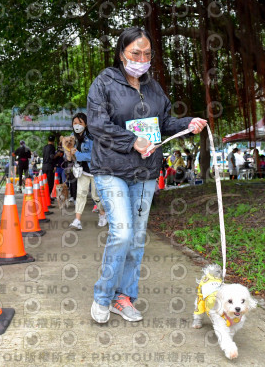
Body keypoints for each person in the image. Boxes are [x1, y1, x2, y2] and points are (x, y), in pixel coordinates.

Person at [87, 27, 207, 324]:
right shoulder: (104, 82)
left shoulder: (153, 87)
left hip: (146, 172)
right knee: (123, 232)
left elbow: (164, 122)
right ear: (121, 54)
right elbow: (97, 125)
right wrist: (132, 141)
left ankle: (124, 297)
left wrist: (187, 122)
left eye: (147, 54)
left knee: (137, 237)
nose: (142, 59)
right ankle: (103, 295)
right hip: (111, 169)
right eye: (135, 53)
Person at [68, 112, 107, 230]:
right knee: (80, 194)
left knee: (96, 195)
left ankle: (102, 214)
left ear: (86, 124)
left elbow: (94, 155)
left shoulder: (91, 137)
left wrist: (78, 154)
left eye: (80, 123)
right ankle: (77, 220)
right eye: (75, 123)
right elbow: (70, 153)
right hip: (82, 171)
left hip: (95, 170)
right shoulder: (72, 137)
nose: (77, 125)